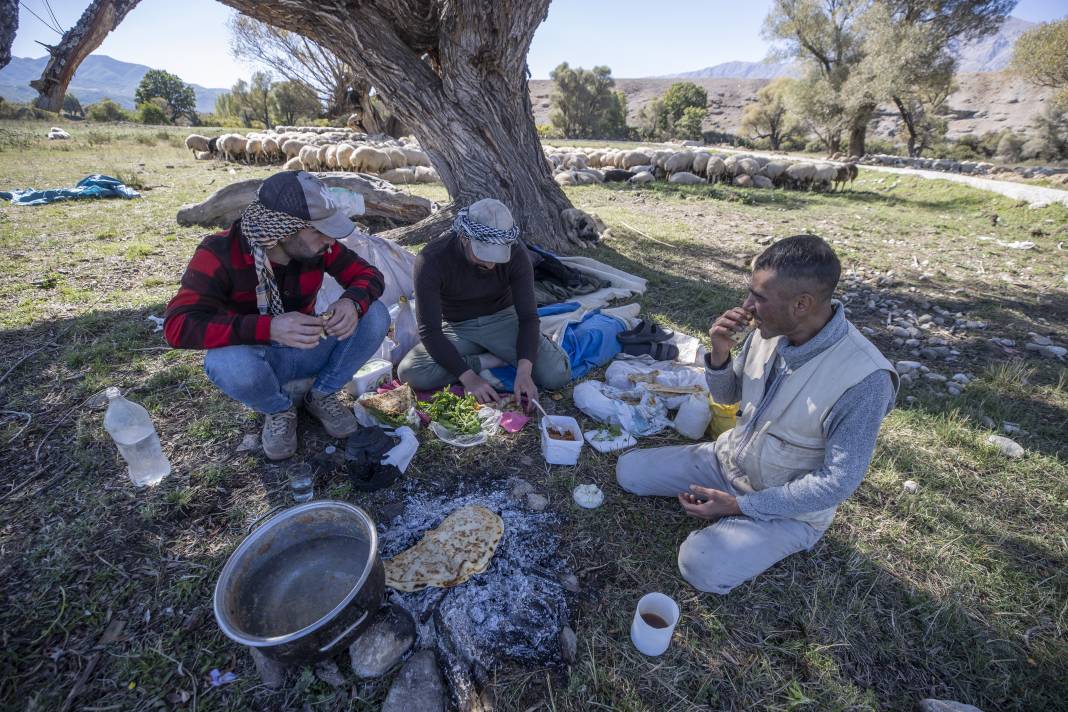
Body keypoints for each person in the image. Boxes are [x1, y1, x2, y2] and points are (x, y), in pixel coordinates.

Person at [616, 234, 898, 594]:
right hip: (726, 463)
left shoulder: (865, 379)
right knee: (629, 471)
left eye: (760, 297)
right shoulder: (767, 330)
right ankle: (726, 507)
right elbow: (730, 394)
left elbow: (837, 483)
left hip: (785, 507)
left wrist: (739, 505)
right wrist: (718, 354)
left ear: (802, 304)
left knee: (700, 564)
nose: (747, 305)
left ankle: (751, 528)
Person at [164, 171, 389, 460]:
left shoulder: (320, 247)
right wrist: (267, 328)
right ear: (283, 230)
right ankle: (278, 409)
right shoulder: (219, 253)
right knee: (223, 361)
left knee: (375, 314)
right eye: (320, 231)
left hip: (307, 347)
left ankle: (320, 393)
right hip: (260, 361)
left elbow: (368, 275)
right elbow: (177, 325)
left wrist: (351, 303)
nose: (330, 241)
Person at [397, 198, 571, 409]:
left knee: (556, 375)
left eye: (497, 257)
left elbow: (528, 317)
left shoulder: (517, 253)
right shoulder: (431, 259)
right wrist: (469, 377)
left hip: (504, 320)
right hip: (458, 327)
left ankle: (523, 352)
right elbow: (430, 331)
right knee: (410, 372)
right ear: (464, 237)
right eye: (483, 254)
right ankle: (488, 360)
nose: (490, 264)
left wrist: (524, 372)